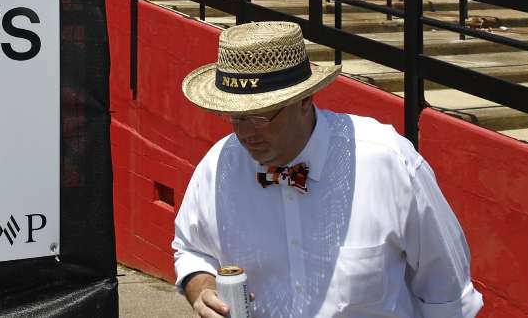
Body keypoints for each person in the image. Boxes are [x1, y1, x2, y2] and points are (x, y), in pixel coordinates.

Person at [173, 21, 482, 318]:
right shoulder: (218, 166)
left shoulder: (387, 162)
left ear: (305, 98)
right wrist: (202, 289)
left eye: (260, 116)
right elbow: (191, 249)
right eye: (234, 116)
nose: (244, 132)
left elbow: (448, 294)